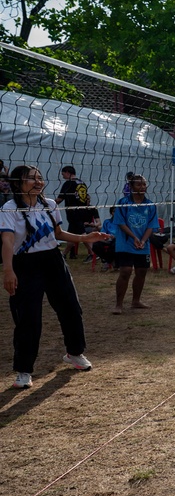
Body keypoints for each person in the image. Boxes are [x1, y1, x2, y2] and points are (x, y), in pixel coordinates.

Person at [1, 165, 111, 388]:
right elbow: (8, 241)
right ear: (18, 183)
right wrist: (9, 270)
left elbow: (59, 234)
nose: (38, 182)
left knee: (71, 307)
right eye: (32, 178)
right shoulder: (9, 208)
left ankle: (74, 353)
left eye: (40, 177)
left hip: (52, 260)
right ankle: (24, 371)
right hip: (25, 264)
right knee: (28, 318)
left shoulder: (49, 205)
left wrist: (85, 237)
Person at [112, 174, 158, 315]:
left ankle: (136, 301)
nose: (142, 187)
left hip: (142, 244)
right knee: (125, 271)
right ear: (131, 187)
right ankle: (118, 304)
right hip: (126, 243)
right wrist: (134, 237)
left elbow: (151, 226)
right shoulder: (123, 203)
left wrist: (143, 240)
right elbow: (120, 223)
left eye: (144, 184)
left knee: (141, 272)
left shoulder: (150, 205)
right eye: (138, 184)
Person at [55, 165, 89, 259]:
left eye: (63, 174)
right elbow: (87, 198)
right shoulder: (82, 183)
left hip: (73, 212)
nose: (62, 177)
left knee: (82, 233)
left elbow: (59, 199)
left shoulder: (68, 183)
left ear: (67, 173)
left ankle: (92, 252)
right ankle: (64, 254)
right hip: (82, 211)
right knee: (71, 234)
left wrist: (47, 204)